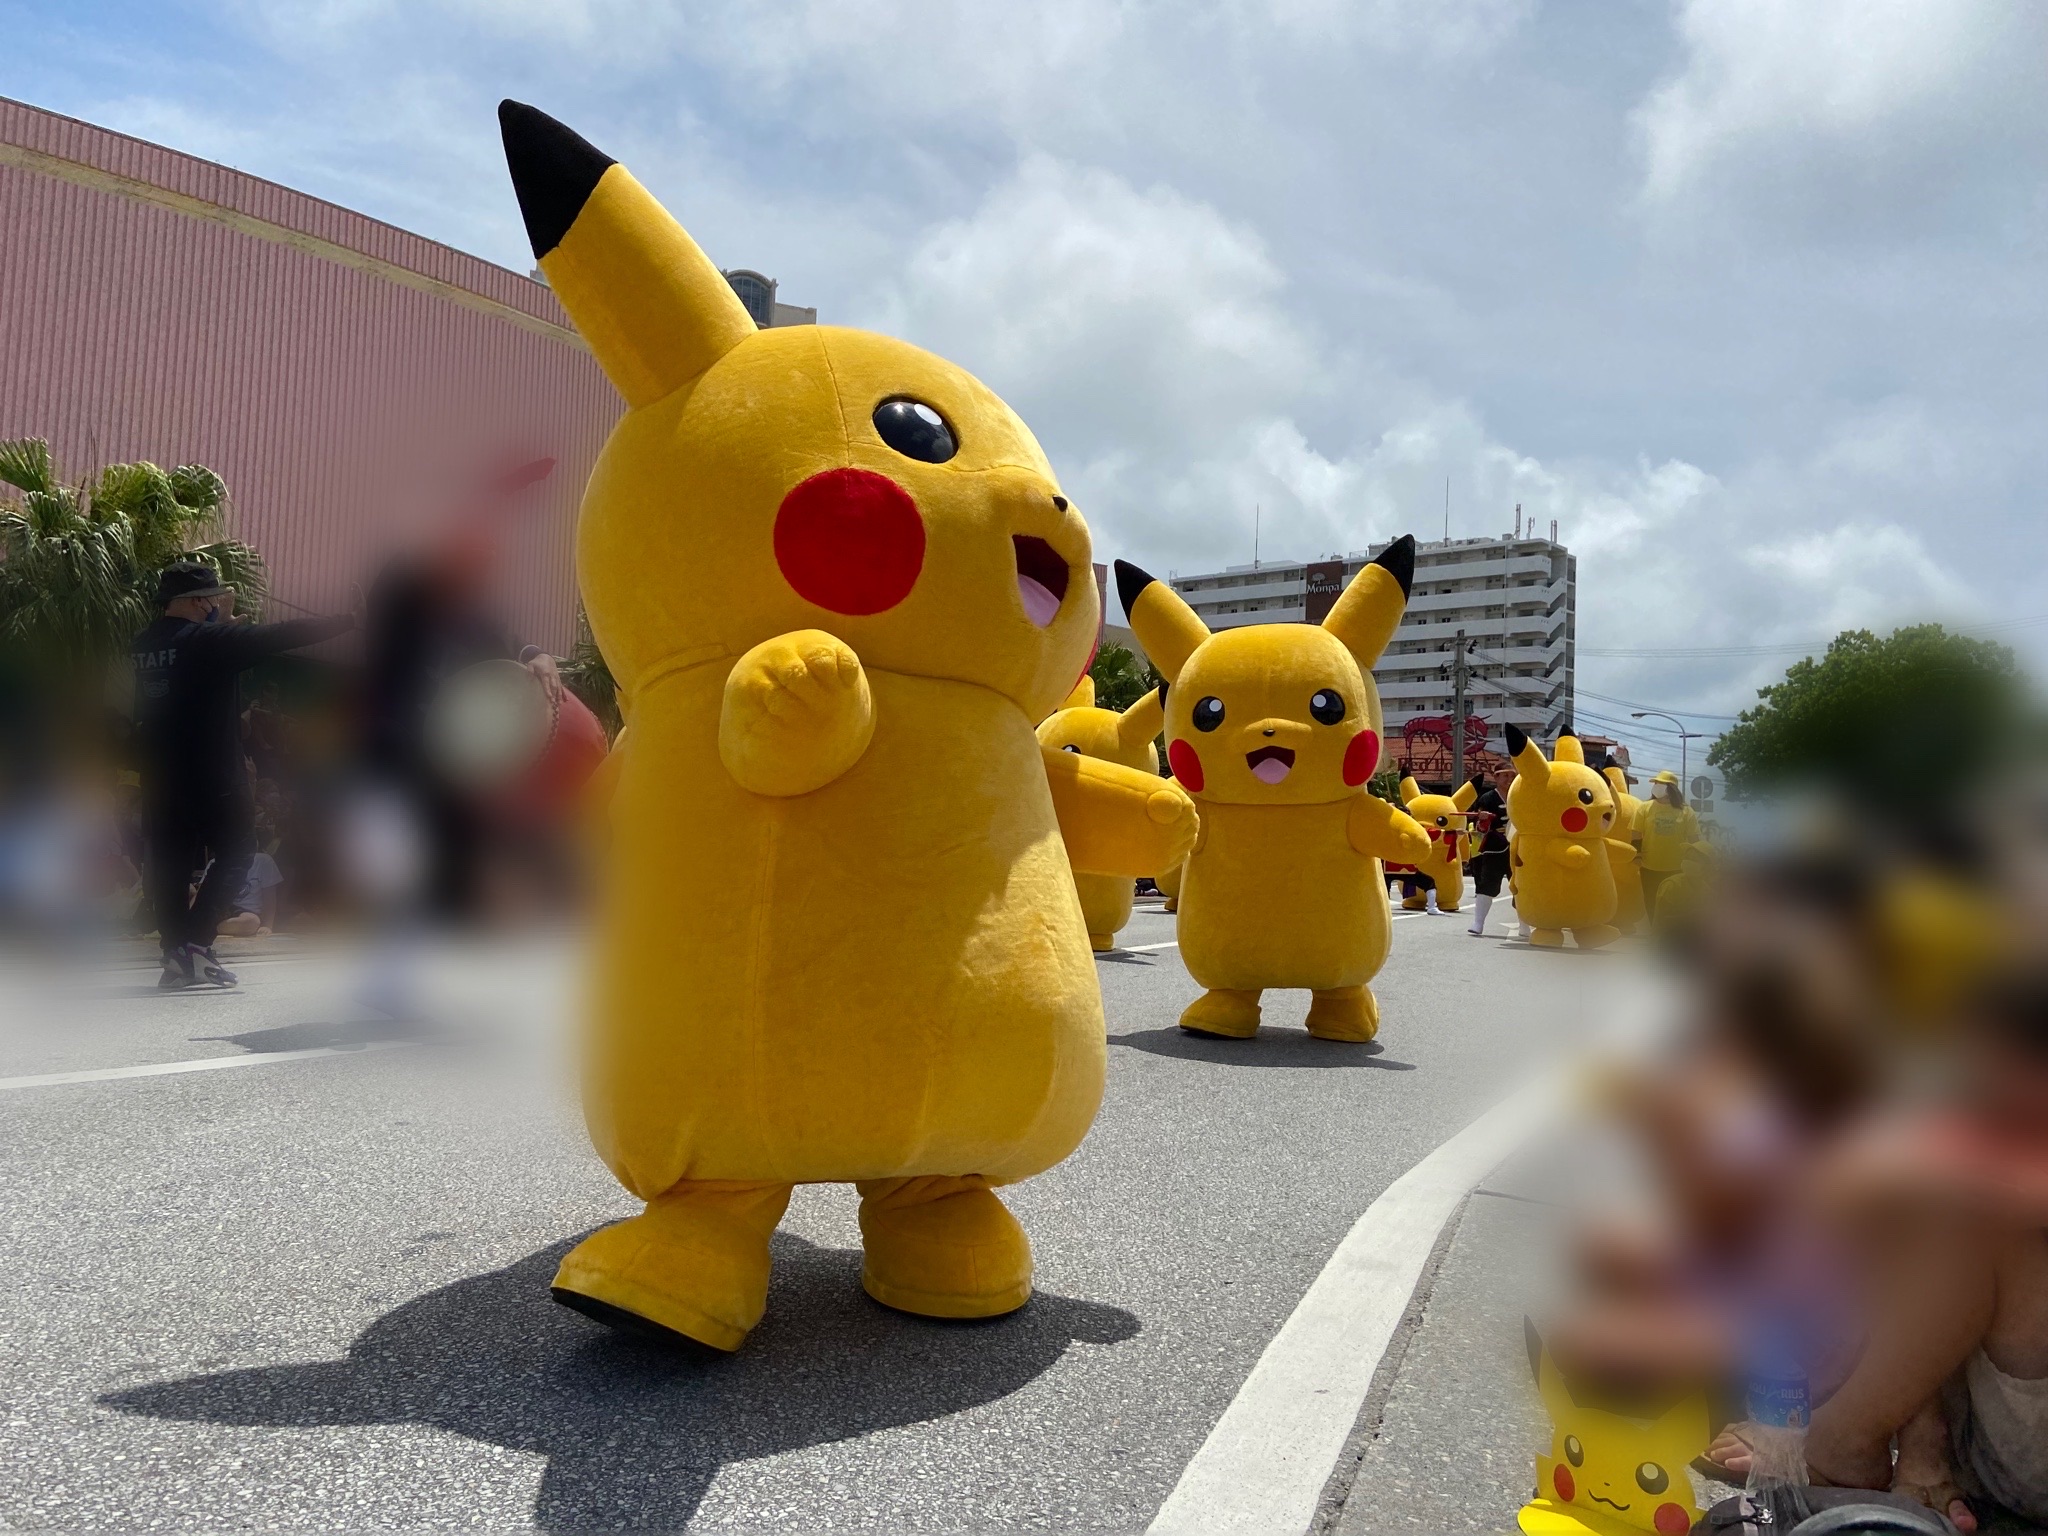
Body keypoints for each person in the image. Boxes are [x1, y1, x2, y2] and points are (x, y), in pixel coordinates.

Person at [131, 561, 354, 989]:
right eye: (211, 598)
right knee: (237, 852)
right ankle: (196, 943)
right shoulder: (210, 642)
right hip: (214, 774)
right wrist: (347, 621)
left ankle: (177, 953)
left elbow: (187, 672)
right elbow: (281, 634)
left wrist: (220, 629)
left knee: (171, 867)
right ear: (200, 602)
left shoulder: (144, 643)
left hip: (161, 776)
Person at [1634, 770, 1699, 911]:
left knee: (1675, 906)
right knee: (1651, 902)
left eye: (1660, 783)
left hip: (1677, 868)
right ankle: (1655, 932)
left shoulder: (1687, 812)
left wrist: (1695, 862)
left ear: (1671, 788)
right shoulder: (1644, 808)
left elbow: (1694, 840)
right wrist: (1637, 855)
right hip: (1649, 866)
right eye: (1655, 783)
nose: (1656, 785)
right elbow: (1636, 834)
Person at [1466, 771, 1511, 937]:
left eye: (1512, 775)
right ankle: (1478, 923)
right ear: (1496, 777)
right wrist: (1483, 819)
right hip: (1494, 845)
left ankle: (1524, 925)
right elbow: (1479, 828)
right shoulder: (1487, 798)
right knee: (1488, 883)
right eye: (1505, 775)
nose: (1509, 779)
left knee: (1522, 886)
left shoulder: (1519, 794)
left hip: (1519, 846)